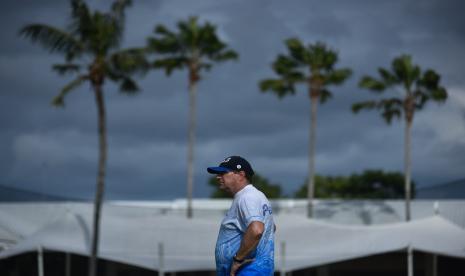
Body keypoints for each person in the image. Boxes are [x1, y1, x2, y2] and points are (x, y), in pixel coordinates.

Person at [207, 156, 275, 276]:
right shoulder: (255, 195)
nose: (218, 177)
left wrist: (238, 260)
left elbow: (257, 230)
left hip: (248, 272)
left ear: (240, 174)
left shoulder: (247, 197)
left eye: (223, 173)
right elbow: (271, 227)